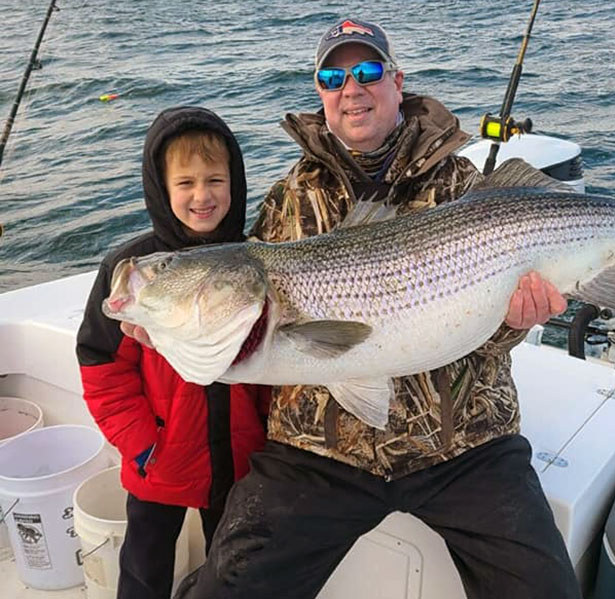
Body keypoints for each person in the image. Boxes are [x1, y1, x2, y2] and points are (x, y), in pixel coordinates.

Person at [174, 17, 581, 599]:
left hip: (465, 444)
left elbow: (484, 334)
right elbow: (241, 300)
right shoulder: (290, 197)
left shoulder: (464, 185)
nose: (351, 88)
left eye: (367, 71)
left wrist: (516, 321)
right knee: (224, 588)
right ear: (320, 93)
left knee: (547, 591)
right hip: (319, 451)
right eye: (333, 76)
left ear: (397, 82)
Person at [75, 106, 271, 599]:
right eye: (185, 183)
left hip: (237, 460)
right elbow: (102, 368)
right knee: (143, 569)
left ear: (236, 182)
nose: (202, 196)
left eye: (215, 180)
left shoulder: (256, 260)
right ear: (162, 188)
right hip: (157, 464)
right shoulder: (131, 268)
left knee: (228, 566)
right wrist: (143, 445)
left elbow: (274, 369)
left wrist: (265, 438)